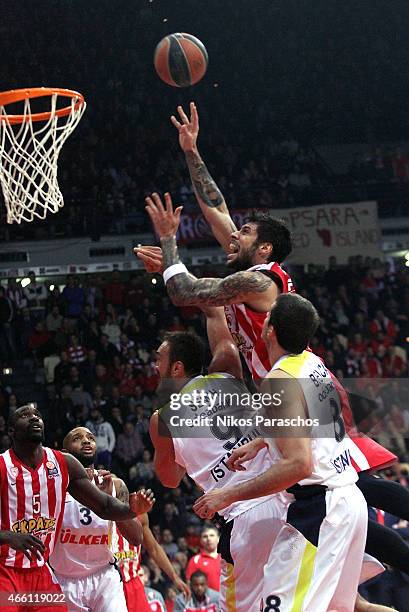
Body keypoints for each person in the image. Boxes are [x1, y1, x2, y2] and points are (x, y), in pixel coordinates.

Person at [139, 190, 409, 577]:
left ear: (264, 248)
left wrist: (169, 248)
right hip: (301, 380)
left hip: (293, 384)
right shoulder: (253, 277)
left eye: (244, 233)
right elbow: (219, 214)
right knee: (343, 485)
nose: (234, 237)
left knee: (325, 485)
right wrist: (191, 150)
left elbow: (186, 291)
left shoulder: (258, 281)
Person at [193, 294, 373, 612]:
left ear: (269, 330)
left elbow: (298, 464)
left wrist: (227, 495)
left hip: (319, 509)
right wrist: (264, 440)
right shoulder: (311, 364)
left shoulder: (279, 379)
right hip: (348, 498)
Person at [149, 306, 303, 612]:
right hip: (291, 495)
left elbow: (169, 478)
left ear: (177, 368)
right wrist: (207, 299)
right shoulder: (228, 372)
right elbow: (217, 319)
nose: (154, 366)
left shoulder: (162, 419)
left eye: (159, 359)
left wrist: (184, 456)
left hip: (247, 516)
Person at [0, 403, 144, 611]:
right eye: (25, 415)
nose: (33, 418)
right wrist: (8, 536)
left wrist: (132, 509)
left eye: (37, 415)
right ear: (11, 430)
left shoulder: (66, 466)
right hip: (10, 571)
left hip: (48, 575)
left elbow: (107, 508)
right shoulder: (4, 467)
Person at [50, 426, 154, 611]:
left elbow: (136, 538)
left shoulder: (113, 483)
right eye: (77, 438)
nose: (86, 440)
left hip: (104, 576)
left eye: (90, 437)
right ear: (64, 452)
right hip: (64, 579)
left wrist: (112, 503)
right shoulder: (53, 487)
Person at [111, 509, 190, 612]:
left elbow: (154, 549)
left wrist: (174, 576)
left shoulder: (138, 509)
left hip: (132, 583)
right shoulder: (97, 506)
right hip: (109, 583)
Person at [185, 527, 221, 593]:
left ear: (218, 538)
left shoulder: (227, 558)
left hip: (229, 599)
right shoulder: (195, 560)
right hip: (206, 602)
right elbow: (189, 584)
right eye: (205, 536)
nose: (208, 539)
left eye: (212, 535)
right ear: (201, 541)